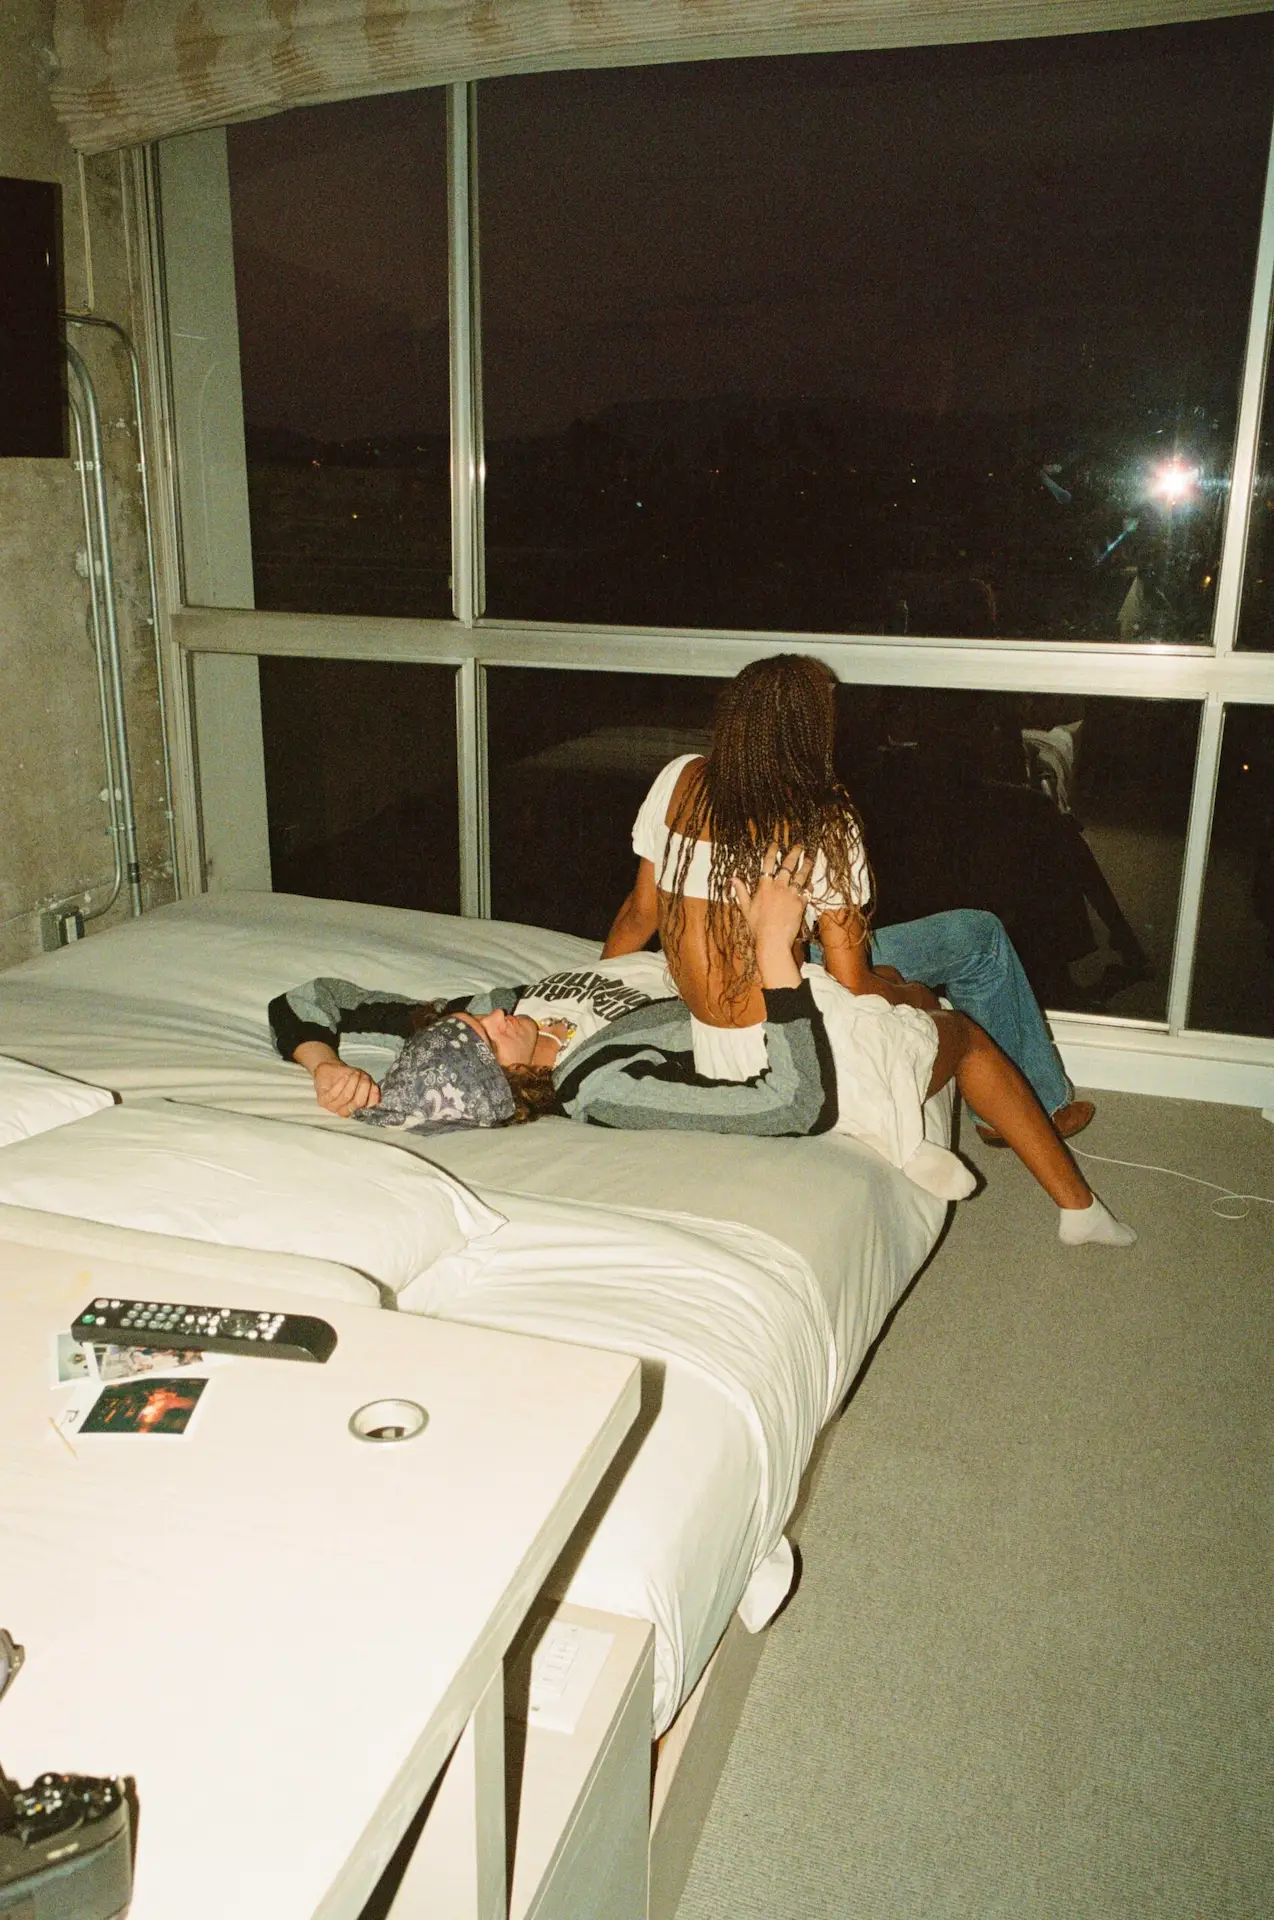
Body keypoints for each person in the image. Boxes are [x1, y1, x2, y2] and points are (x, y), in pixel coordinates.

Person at [271, 854, 1134, 1245]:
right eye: (485, 1035)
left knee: (946, 948)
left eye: (472, 1020)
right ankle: (1075, 1203)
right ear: (514, 1077)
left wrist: (325, 1064)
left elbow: (315, 999)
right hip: (779, 978)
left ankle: (1022, 1122)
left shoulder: (508, 1007)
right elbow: (787, 1103)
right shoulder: (600, 1084)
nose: (490, 1014)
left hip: (754, 954)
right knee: (952, 1004)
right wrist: (775, 958)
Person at [602, 653, 1093, 1147]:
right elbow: (850, 981)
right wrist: (910, 999)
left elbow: (638, 913)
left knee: (945, 938)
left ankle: (1026, 1100)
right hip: (787, 977)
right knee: (978, 936)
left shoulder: (679, 779)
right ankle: (1043, 1104)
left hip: (742, 970)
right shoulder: (822, 817)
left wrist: (596, 998)